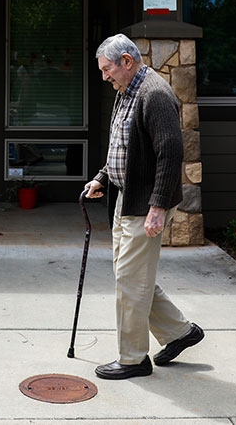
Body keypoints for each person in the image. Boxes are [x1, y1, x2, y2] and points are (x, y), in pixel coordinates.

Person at [83, 33, 203, 380]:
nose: (105, 76)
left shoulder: (155, 94)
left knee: (130, 283)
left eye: (108, 69)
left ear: (126, 61)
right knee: (132, 278)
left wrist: (158, 207)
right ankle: (181, 333)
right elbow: (124, 147)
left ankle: (133, 358)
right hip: (125, 197)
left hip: (145, 204)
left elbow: (170, 153)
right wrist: (103, 178)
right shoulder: (125, 92)